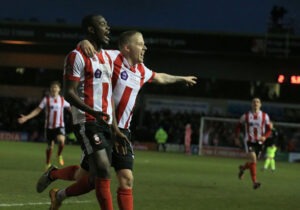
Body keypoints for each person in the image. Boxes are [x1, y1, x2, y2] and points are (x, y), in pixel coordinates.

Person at [38, 30, 197, 210]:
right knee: (85, 178)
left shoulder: (142, 71)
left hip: (123, 132)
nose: (145, 47)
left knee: (126, 179)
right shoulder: (112, 58)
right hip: (102, 127)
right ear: (127, 47)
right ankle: (55, 178)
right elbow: (89, 52)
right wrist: (83, 42)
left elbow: (160, 77)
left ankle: (58, 193)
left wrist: (181, 79)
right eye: (140, 43)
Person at [48, 14, 128, 210]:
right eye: (103, 25)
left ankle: (56, 187)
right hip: (87, 120)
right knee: (102, 168)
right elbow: (68, 92)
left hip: (106, 122)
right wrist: (92, 110)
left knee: (91, 179)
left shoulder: (108, 57)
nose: (108, 28)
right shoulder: (76, 56)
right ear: (91, 30)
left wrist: (116, 129)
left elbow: (108, 97)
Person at [18, 81, 71, 170]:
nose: (54, 89)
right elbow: (37, 110)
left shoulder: (62, 100)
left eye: (56, 87)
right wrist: (26, 117)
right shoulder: (46, 99)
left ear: (59, 89)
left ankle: (59, 155)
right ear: (50, 89)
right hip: (49, 127)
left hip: (60, 125)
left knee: (62, 140)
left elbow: (71, 109)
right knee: (50, 146)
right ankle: (47, 163)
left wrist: (81, 114)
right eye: (52, 87)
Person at [235, 97, 272, 190]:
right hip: (249, 141)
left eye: (258, 102)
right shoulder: (246, 116)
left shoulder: (265, 116)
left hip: (260, 142)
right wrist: (236, 137)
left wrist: (265, 137)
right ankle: (255, 182)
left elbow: (269, 130)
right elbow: (238, 126)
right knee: (253, 159)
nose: (256, 103)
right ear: (251, 104)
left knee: (253, 162)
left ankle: (243, 168)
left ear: (260, 104)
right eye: (254, 102)